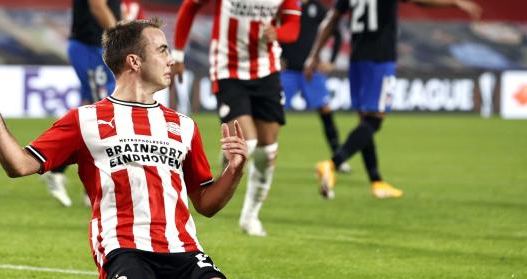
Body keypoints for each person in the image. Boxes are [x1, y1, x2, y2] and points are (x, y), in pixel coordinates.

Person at [0, 18, 248, 279]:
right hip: (125, 251)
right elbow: (18, 164)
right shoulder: (85, 120)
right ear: (134, 61)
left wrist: (234, 171)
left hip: (182, 251)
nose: (171, 59)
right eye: (162, 50)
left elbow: (206, 204)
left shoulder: (183, 126)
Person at [304, 0, 481, 199]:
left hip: (357, 59)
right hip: (380, 59)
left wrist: (313, 56)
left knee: (364, 122)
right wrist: (454, 3)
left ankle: (377, 182)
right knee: (375, 120)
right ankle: (332, 164)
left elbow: (330, 21)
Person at [173, 0, 301, 237]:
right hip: (228, 69)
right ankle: (228, 159)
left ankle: (250, 216)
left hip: (267, 71)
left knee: (268, 151)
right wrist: (178, 54)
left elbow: (293, 25)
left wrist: (278, 32)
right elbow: (191, 5)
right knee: (248, 143)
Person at [41, 0, 122, 207]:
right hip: (90, 48)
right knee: (102, 116)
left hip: (97, 49)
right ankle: (93, 185)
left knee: (91, 112)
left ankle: (59, 170)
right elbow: (97, 6)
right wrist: (122, 39)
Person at [280, 0, 350, 173]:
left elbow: (336, 33)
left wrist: (331, 61)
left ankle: (338, 159)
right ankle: (247, 153)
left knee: (325, 111)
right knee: (270, 114)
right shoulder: (284, 5)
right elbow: (273, 29)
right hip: (287, 71)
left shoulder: (318, 9)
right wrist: (275, 56)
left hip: (310, 71)